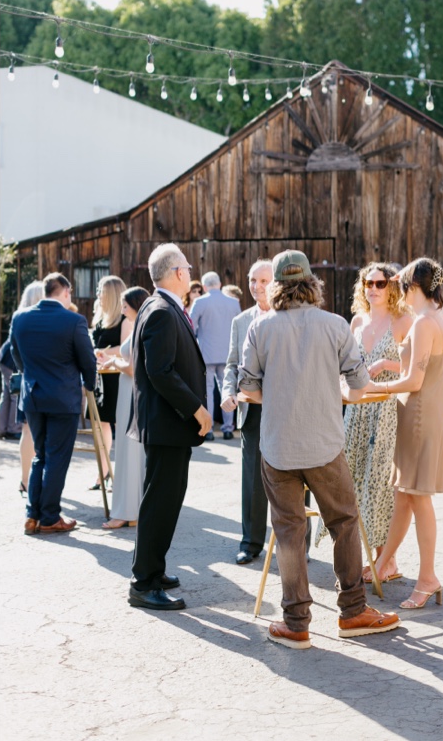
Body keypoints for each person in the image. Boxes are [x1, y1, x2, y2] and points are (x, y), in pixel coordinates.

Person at [237, 249, 400, 649]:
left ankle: (296, 623)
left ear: (275, 285)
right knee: (343, 522)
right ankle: (353, 612)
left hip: (277, 446)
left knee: (290, 532)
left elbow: (247, 387)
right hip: (326, 444)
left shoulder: (260, 328)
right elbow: (358, 383)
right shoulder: (334, 325)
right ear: (312, 283)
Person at [365, 258, 443, 608]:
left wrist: (371, 387)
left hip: (417, 414)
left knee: (418, 498)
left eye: (400, 287)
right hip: (429, 411)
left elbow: (414, 380)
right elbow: (424, 366)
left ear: (412, 288)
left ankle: (428, 577)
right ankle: (384, 562)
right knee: (403, 496)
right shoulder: (442, 317)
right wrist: (388, 365)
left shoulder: (421, 324)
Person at [128, 243, 212, 611]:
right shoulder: (161, 310)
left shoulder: (156, 305)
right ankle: (144, 583)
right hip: (168, 424)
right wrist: (197, 409)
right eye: (188, 269)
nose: (191, 274)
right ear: (178, 273)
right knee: (160, 503)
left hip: (165, 425)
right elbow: (160, 371)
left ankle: (154, 570)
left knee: (164, 500)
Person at [322, 262, 413, 583]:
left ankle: (386, 560)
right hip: (357, 410)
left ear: (391, 287)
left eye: (379, 283)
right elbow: (342, 361)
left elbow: (416, 368)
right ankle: (364, 556)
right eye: (367, 283)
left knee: (380, 481)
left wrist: (385, 362)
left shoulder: (404, 320)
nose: (372, 289)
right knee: (352, 477)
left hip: (388, 407)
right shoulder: (357, 321)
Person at [10, 273, 98, 536]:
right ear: (67, 292)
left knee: (41, 456)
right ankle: (49, 516)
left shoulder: (20, 318)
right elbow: (88, 360)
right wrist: (90, 385)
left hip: (34, 395)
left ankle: (32, 515)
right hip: (63, 398)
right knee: (57, 458)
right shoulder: (74, 321)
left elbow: (16, 354)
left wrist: (31, 375)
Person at [220, 259, 275, 564]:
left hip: (284, 411)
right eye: (253, 280)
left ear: (276, 283)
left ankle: (298, 544)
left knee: (294, 477)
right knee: (252, 480)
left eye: (264, 281)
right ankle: (250, 542)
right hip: (251, 412)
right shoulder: (240, 321)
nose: (257, 286)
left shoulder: (287, 317)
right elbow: (231, 364)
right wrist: (229, 392)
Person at [100, 287, 152, 529]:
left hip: (131, 392)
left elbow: (133, 368)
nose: (121, 309)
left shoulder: (139, 327)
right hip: (129, 392)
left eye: (124, 305)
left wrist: (115, 361)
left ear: (134, 305)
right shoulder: (139, 325)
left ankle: (126, 511)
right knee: (130, 450)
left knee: (128, 450)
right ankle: (133, 510)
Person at [1, 280, 47, 489]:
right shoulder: (43, 320)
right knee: (38, 432)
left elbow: (14, 349)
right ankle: (34, 479)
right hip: (39, 379)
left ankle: (25, 479)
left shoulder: (19, 318)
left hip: (23, 373)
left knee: (27, 431)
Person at [189, 270, 238, 440]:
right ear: (220, 284)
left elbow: (190, 326)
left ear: (204, 286)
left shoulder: (200, 302)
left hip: (206, 353)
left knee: (207, 391)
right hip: (227, 353)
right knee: (228, 390)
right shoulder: (233, 303)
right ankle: (227, 429)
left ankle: (208, 430)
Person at [90, 276, 126, 480]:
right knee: (101, 426)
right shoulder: (101, 318)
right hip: (100, 377)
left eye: (101, 291)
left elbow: (125, 348)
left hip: (117, 377)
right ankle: (103, 471)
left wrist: (104, 353)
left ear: (111, 294)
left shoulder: (124, 319)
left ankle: (120, 474)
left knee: (120, 425)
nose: (98, 295)